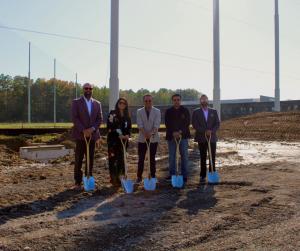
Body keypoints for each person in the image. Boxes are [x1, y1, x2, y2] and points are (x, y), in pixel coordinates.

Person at [71, 83, 103, 190]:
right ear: (83, 89)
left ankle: (88, 178)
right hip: (81, 136)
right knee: (79, 159)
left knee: (90, 159)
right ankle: (78, 181)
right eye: (86, 88)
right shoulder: (76, 102)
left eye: (90, 88)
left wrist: (92, 129)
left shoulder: (97, 104)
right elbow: (75, 118)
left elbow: (99, 119)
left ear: (92, 90)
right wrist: (83, 130)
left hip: (92, 136)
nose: (88, 90)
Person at [192, 94, 220, 183]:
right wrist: (205, 131)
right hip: (201, 138)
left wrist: (211, 131)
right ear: (200, 101)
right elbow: (195, 124)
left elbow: (217, 123)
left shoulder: (213, 111)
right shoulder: (196, 112)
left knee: (212, 156)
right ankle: (203, 175)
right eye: (202, 100)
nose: (204, 101)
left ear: (208, 101)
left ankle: (212, 172)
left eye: (205, 99)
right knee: (202, 157)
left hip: (212, 138)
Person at [165, 94, 190, 184]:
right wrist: (173, 132)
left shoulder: (185, 110)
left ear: (180, 100)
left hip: (183, 136)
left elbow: (187, 123)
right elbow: (167, 123)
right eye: (175, 100)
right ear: (172, 101)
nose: (176, 101)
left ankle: (184, 175)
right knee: (172, 156)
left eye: (178, 99)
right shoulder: (168, 111)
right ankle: (172, 174)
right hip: (171, 137)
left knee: (184, 156)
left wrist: (179, 132)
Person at [107, 97, 132, 187]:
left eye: (124, 103)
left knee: (122, 160)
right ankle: (114, 179)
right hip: (113, 141)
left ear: (126, 105)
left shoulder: (127, 116)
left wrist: (128, 135)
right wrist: (119, 134)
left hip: (124, 142)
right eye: (120, 103)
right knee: (113, 160)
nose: (122, 104)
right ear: (117, 104)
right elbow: (110, 126)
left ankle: (121, 178)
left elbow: (129, 128)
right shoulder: (112, 113)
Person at [136, 94, 161, 184]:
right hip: (142, 138)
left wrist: (150, 133)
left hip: (153, 138)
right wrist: (145, 134)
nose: (148, 102)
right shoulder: (139, 111)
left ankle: (153, 176)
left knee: (152, 158)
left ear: (152, 101)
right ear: (144, 102)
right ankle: (139, 177)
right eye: (146, 101)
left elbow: (157, 125)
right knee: (141, 158)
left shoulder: (157, 111)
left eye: (149, 101)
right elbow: (139, 124)